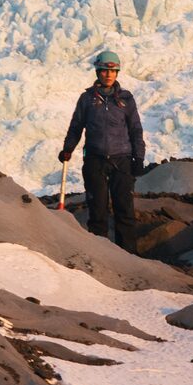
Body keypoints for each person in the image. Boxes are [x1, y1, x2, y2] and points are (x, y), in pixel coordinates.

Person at [59, 50, 145, 252]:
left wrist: (138, 158)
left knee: (124, 210)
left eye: (113, 71)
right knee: (97, 211)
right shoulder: (87, 99)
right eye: (105, 70)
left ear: (117, 73)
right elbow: (76, 126)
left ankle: (129, 256)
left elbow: (135, 129)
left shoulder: (126, 99)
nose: (108, 74)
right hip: (95, 161)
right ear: (98, 72)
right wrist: (67, 148)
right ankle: (101, 255)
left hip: (122, 161)